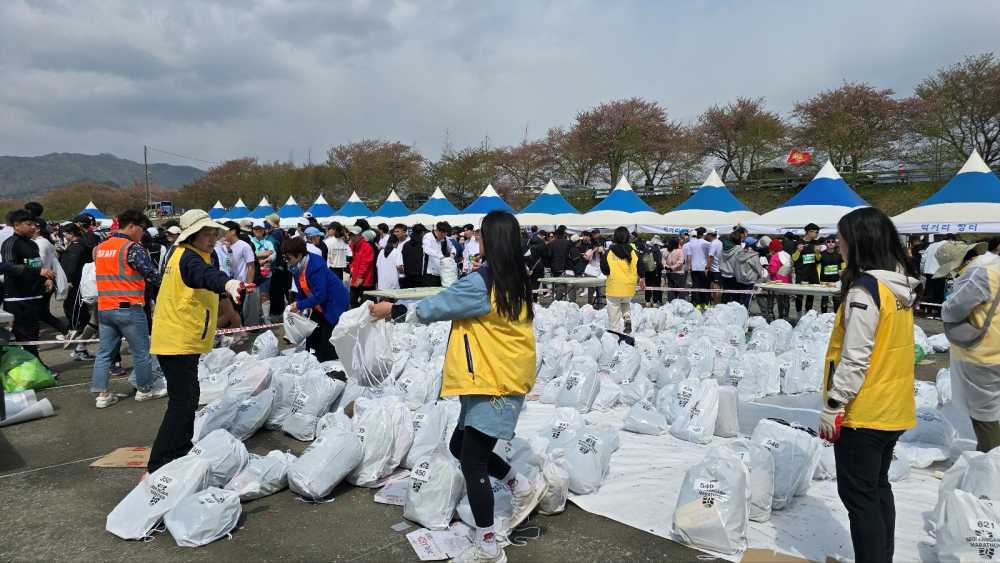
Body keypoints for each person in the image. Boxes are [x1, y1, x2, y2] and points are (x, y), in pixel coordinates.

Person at [369, 211, 545, 563]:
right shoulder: (517, 279)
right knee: (459, 444)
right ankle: (520, 485)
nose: (476, 239)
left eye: (480, 235)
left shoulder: (483, 282)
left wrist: (393, 310)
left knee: (472, 463)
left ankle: (489, 544)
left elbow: (436, 307)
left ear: (488, 239)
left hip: (492, 382)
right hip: (498, 378)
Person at [818, 207, 920, 563]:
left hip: (865, 411)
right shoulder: (900, 287)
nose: (837, 244)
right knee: (877, 489)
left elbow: (855, 358)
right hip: (895, 407)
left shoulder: (865, 291)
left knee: (859, 499)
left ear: (858, 242)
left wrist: (833, 406)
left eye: (841, 238)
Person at [147, 209, 243, 475]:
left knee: (188, 398)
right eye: (206, 233)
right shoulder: (188, 257)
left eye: (214, 233)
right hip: (176, 339)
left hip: (181, 338)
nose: (212, 238)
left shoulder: (189, 255)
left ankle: (178, 451)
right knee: (182, 401)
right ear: (192, 235)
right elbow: (205, 276)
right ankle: (160, 463)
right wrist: (227, 283)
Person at [91, 210, 166, 409]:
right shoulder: (132, 248)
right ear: (132, 226)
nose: (142, 233)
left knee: (104, 353)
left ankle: (102, 395)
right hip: (128, 307)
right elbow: (152, 274)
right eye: (142, 229)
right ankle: (145, 390)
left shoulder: (99, 248)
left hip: (105, 308)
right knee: (141, 352)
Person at [938, 240, 1000, 452]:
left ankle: (990, 464)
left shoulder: (977, 273)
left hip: (984, 353)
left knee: (985, 416)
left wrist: (946, 304)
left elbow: (953, 310)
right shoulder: (995, 265)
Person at [1, 209, 56, 367]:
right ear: (17, 225)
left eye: (34, 224)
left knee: (33, 334)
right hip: (17, 298)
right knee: (23, 336)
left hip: (33, 295)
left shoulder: (32, 244)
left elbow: (36, 265)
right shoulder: (11, 243)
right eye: (29, 224)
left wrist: (45, 278)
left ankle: (34, 365)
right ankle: (36, 366)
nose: (33, 227)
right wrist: (38, 271)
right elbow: (8, 267)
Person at [284, 237, 349, 362]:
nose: (287, 261)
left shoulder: (315, 267)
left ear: (299, 255)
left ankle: (331, 370)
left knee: (327, 341)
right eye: (285, 258)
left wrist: (298, 306)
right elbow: (302, 290)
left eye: (289, 258)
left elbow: (320, 296)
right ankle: (313, 363)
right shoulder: (298, 267)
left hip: (334, 304)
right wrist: (298, 305)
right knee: (312, 337)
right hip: (319, 305)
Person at [601, 226, 645, 332]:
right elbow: (641, 267)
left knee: (614, 310)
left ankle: (615, 332)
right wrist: (642, 278)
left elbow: (604, 269)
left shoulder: (609, 252)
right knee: (625, 303)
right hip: (629, 287)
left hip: (614, 287)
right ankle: (627, 317)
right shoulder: (634, 252)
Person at [59, 224, 93, 360]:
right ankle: (76, 329)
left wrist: (68, 279)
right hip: (77, 281)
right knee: (74, 305)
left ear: (71, 233)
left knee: (73, 306)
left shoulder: (77, 246)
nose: (64, 237)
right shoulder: (78, 245)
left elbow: (72, 265)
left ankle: (75, 328)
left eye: (65, 234)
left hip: (76, 282)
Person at [792, 223, 822, 314]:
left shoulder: (815, 243)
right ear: (809, 232)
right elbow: (794, 258)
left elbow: (819, 259)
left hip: (812, 273)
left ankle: (808, 314)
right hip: (801, 273)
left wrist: (817, 253)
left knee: (810, 295)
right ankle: (799, 314)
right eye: (815, 232)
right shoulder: (798, 243)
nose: (816, 234)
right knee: (799, 295)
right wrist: (798, 250)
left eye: (817, 232)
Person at [266, 213, 290, 320]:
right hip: (284, 266)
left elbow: (273, 251)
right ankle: (280, 312)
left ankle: (276, 313)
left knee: (275, 291)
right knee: (281, 290)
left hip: (276, 267)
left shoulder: (274, 235)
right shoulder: (283, 232)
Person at [348, 229, 376, 308]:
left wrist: (360, 277)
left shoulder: (367, 247)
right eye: (351, 235)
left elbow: (365, 264)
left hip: (365, 280)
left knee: (365, 304)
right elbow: (353, 260)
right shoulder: (353, 246)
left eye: (354, 235)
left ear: (360, 236)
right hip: (354, 278)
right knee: (353, 301)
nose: (352, 237)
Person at [684, 227, 710, 308]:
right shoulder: (707, 243)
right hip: (704, 268)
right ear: (703, 234)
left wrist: (689, 267)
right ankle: (705, 303)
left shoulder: (690, 244)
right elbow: (710, 256)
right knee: (705, 286)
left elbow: (689, 257)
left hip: (694, 268)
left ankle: (697, 303)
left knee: (695, 286)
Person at [767, 239, 792, 320]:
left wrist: (768, 268)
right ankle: (786, 317)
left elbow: (773, 271)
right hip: (787, 281)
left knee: (779, 300)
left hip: (777, 282)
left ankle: (780, 317)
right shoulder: (787, 255)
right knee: (786, 300)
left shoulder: (775, 256)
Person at [819, 236, 845, 313]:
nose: (830, 243)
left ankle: (836, 315)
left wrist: (843, 273)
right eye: (828, 242)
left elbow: (843, 265)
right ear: (825, 243)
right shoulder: (821, 254)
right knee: (824, 299)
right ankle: (823, 315)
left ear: (835, 243)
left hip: (836, 280)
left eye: (832, 242)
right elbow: (817, 263)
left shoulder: (839, 254)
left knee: (836, 299)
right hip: (824, 280)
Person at [421, 221, 451, 287]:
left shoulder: (445, 239)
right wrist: (441, 256)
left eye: (445, 235)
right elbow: (427, 249)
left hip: (441, 272)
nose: (444, 237)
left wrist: (453, 253)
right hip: (429, 273)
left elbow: (451, 247)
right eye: (443, 235)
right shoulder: (428, 236)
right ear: (438, 231)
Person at [401, 224, 426, 289]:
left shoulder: (406, 244)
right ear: (422, 233)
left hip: (407, 274)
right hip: (420, 275)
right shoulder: (424, 244)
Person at [643, 236, 664, 306]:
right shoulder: (656, 250)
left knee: (648, 285)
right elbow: (659, 261)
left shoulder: (647, 249)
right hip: (655, 271)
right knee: (655, 285)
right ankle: (655, 301)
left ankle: (647, 301)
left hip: (647, 270)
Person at [705, 229, 724, 305]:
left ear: (710, 235)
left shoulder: (714, 243)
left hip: (715, 270)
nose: (706, 236)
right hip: (717, 269)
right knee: (715, 288)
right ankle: (716, 304)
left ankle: (717, 305)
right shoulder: (719, 242)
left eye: (707, 235)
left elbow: (711, 256)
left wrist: (707, 268)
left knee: (716, 289)